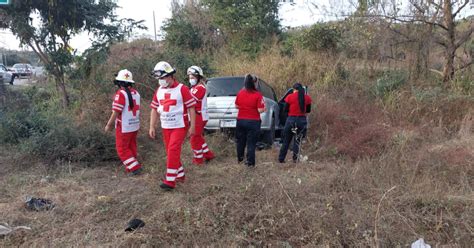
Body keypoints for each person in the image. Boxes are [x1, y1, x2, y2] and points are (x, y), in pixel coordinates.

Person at [149, 61, 196, 191]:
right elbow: (154, 109)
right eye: (159, 78)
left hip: (180, 125)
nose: (160, 81)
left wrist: (192, 126)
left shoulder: (182, 89)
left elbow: (192, 108)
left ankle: (170, 181)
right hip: (166, 126)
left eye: (162, 78)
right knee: (170, 152)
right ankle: (180, 175)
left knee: (173, 150)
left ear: (170, 75)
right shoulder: (159, 90)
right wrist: (152, 126)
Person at [105, 69, 142, 175]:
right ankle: (131, 166)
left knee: (121, 149)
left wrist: (109, 125)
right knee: (131, 146)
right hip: (134, 125)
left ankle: (134, 167)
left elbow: (116, 111)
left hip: (124, 126)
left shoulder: (121, 94)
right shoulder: (136, 93)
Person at [235, 74, 266, 167]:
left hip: (241, 120)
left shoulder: (240, 93)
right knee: (251, 143)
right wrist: (265, 108)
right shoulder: (258, 95)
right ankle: (250, 163)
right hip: (253, 122)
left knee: (240, 141)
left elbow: (236, 106)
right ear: (255, 83)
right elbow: (260, 110)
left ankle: (240, 159)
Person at [187, 65, 215, 165]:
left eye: (193, 77)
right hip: (197, 115)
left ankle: (198, 160)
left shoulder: (200, 88)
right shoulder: (194, 88)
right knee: (198, 137)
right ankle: (208, 155)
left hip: (199, 116)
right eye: (190, 77)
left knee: (194, 138)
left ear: (199, 77)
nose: (191, 79)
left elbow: (189, 101)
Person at [278, 83, 312, 163]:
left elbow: (285, 109)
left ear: (294, 89)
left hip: (291, 121)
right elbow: (308, 110)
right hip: (301, 121)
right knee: (297, 141)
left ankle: (281, 159)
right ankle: (295, 159)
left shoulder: (289, 97)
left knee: (286, 141)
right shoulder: (307, 98)